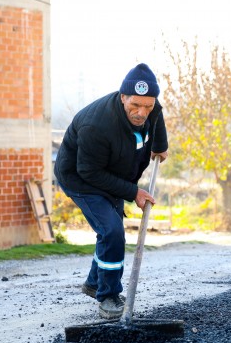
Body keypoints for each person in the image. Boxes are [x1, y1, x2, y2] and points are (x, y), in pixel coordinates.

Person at [54, 63, 168, 319]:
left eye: (147, 106)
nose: (141, 112)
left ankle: (95, 283)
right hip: (81, 178)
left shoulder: (151, 107)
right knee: (112, 231)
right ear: (122, 97)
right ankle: (108, 296)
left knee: (110, 231)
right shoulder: (96, 125)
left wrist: (160, 145)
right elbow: (89, 172)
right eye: (135, 106)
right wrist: (132, 191)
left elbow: (157, 115)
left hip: (112, 174)